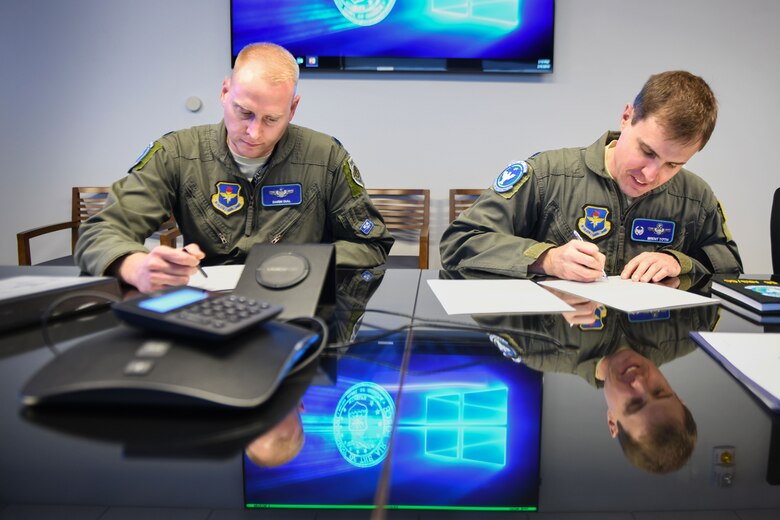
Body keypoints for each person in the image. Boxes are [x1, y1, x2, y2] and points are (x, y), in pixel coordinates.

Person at [75, 43, 394, 293]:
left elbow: (370, 244)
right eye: (244, 113)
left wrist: (305, 263)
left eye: (271, 119)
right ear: (225, 92)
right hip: (206, 305)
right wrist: (136, 266)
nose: (254, 133)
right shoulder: (177, 153)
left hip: (297, 304)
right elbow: (100, 232)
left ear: (293, 109)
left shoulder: (325, 157)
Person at [440, 70, 743, 283]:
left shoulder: (695, 196)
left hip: (649, 342)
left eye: (673, 164)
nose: (651, 175)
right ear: (626, 117)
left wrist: (678, 262)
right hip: (559, 340)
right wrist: (546, 259)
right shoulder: (547, 174)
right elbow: (459, 242)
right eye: (647, 151)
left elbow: (729, 265)